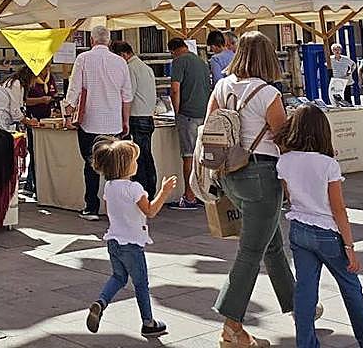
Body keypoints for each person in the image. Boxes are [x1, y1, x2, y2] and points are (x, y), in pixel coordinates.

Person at [276, 105, 363, 348]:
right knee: (351, 288)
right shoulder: (328, 165)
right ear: (323, 130)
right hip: (327, 233)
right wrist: (350, 247)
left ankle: (306, 344)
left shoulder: (285, 161)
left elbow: (290, 197)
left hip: (299, 229)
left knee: (304, 292)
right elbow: (338, 209)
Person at [208, 31, 295, 348]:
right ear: (268, 57)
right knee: (250, 252)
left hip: (231, 175)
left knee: (270, 244)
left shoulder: (221, 86)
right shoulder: (268, 93)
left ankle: (299, 305)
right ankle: (232, 328)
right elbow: (283, 140)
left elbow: (210, 132)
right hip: (261, 175)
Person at [83, 137, 178, 339]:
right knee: (141, 284)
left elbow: (110, 212)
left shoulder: (109, 187)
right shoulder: (134, 189)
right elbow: (150, 211)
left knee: (118, 277)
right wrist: (164, 192)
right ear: (125, 166)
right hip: (132, 245)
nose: (136, 163)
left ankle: (101, 302)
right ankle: (148, 322)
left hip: (113, 241)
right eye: (134, 160)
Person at [63, 26, 132, 221]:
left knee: (90, 165)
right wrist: (125, 120)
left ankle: (91, 207)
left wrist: (67, 115)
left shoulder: (83, 59)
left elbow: (74, 90)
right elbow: (127, 96)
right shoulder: (120, 62)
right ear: (109, 42)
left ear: (92, 41)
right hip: (114, 123)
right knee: (116, 167)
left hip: (90, 123)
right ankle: (117, 209)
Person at [110, 41, 158, 199]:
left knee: (138, 158)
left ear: (123, 54)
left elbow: (128, 97)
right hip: (148, 116)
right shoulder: (146, 68)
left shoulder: (130, 68)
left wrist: (123, 118)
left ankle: (142, 193)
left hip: (136, 117)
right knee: (147, 155)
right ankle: (150, 190)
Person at [168, 38, 210, 210]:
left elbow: (175, 88)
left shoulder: (178, 61)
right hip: (203, 112)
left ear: (173, 51)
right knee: (201, 155)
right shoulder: (201, 61)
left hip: (187, 114)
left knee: (188, 155)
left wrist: (176, 111)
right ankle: (202, 193)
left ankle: (189, 196)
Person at [22, 68, 57, 197]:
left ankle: (31, 184)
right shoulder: (31, 79)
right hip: (34, 119)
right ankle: (32, 185)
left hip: (47, 119)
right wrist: (41, 100)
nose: (46, 69)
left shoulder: (50, 77)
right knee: (34, 151)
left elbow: (54, 94)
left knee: (41, 153)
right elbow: (24, 100)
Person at [0, 66, 34, 132]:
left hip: (0, 120)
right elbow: (15, 111)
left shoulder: (15, 82)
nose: (33, 84)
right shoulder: (16, 84)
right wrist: (28, 121)